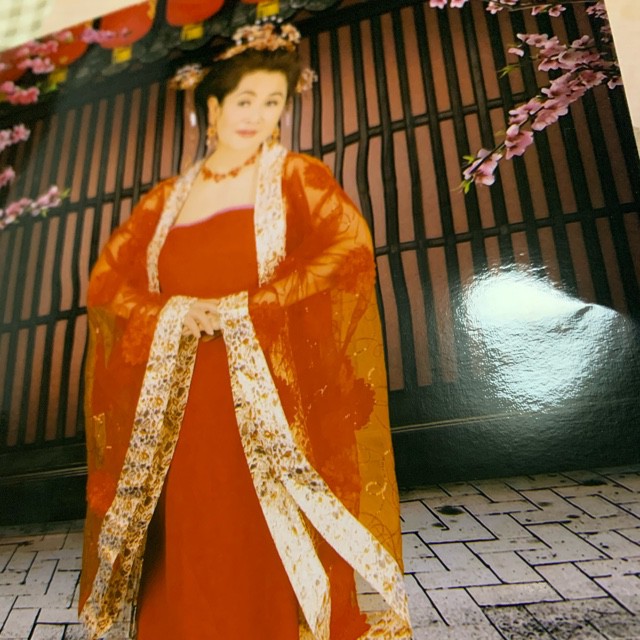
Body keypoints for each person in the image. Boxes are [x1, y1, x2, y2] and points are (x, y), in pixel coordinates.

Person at [78, 20, 413, 640]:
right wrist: (175, 313)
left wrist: (255, 303)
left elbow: (348, 247)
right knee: (190, 521)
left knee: (261, 518)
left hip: (265, 390)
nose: (257, 115)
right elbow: (107, 283)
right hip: (180, 396)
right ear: (213, 107)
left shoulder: (296, 177)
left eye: (272, 101)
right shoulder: (164, 201)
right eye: (244, 100)